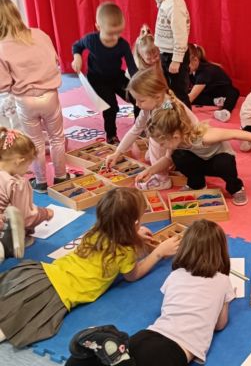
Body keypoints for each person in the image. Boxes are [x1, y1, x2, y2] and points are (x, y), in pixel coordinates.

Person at [0, 187, 180, 348]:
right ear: (134, 223)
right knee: (12, 323)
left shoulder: (96, 230)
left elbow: (116, 231)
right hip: (58, 294)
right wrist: (158, 253)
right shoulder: (125, 251)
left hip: (45, 274)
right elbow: (133, 275)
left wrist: (134, 234)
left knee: (8, 300)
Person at [65, 220, 235, 366]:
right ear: (220, 251)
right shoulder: (223, 281)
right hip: (173, 351)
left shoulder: (176, 275)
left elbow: (169, 306)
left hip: (148, 335)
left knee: (106, 361)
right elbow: (220, 325)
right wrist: (225, 300)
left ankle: (82, 359)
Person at [138, 97, 251, 206]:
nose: (161, 146)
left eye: (162, 143)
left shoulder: (204, 136)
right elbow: (167, 159)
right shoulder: (175, 142)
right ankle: (197, 184)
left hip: (218, 163)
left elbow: (235, 133)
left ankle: (236, 187)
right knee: (177, 156)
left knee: (224, 162)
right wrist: (150, 171)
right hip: (201, 163)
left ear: (175, 136)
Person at [0, 0, 67, 193]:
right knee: (57, 138)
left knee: (35, 142)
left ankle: (41, 182)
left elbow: (4, 85)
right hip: (51, 95)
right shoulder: (39, 34)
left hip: (26, 100)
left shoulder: (2, 47)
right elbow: (55, 60)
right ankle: (61, 177)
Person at [105, 68, 198, 190]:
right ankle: (171, 163)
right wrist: (117, 153)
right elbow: (136, 129)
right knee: (149, 157)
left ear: (157, 96)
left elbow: (168, 137)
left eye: (141, 100)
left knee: (155, 139)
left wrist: (166, 159)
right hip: (174, 142)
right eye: (136, 100)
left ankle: (162, 180)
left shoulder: (167, 107)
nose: (137, 104)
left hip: (189, 145)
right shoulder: (152, 104)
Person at [72, 2, 139, 145]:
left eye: (119, 32)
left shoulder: (122, 44)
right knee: (110, 106)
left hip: (116, 77)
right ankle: (111, 135)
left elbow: (132, 67)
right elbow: (77, 46)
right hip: (98, 80)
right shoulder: (91, 40)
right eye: (110, 33)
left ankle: (139, 128)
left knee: (138, 96)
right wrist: (77, 57)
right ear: (98, 27)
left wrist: (139, 83)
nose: (115, 37)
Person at [142, 0, 191, 109]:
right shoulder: (167, 1)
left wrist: (176, 60)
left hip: (174, 56)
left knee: (178, 92)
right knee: (166, 88)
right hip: (166, 54)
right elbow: (163, 14)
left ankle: (186, 118)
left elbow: (181, 36)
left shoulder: (175, 6)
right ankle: (170, 115)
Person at [0, 128, 53, 247]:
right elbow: (26, 218)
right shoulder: (16, 183)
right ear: (19, 161)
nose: (28, 170)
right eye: (28, 165)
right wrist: (45, 213)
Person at [188, 43, 240, 122]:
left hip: (223, 91)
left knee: (233, 92)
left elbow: (189, 98)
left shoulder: (205, 72)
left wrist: (169, 106)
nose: (182, 68)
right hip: (209, 92)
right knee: (190, 95)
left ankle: (225, 112)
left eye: (184, 64)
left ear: (195, 60)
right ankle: (216, 101)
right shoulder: (192, 71)